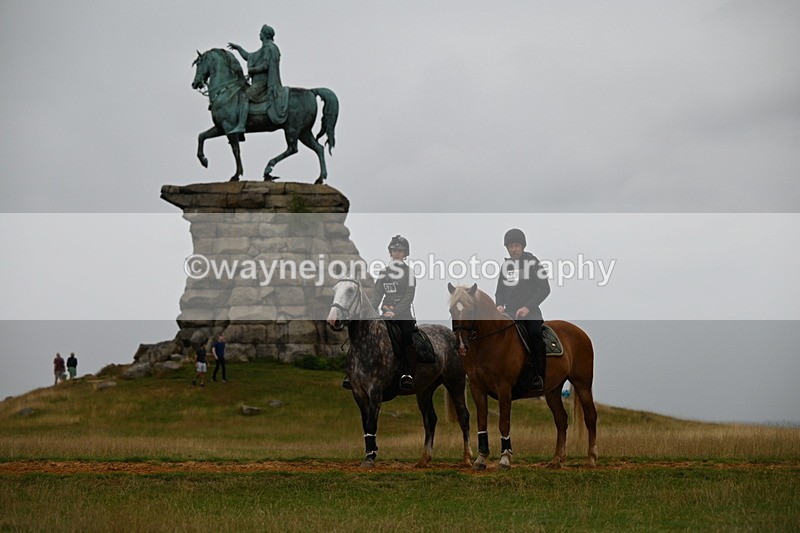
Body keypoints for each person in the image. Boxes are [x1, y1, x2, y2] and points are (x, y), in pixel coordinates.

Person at [494, 228, 551, 392]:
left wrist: (528, 307)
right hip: (509, 313)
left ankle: (539, 376)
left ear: (523, 246)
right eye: (510, 246)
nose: (513, 249)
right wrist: (499, 304)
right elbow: (500, 291)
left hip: (530, 312)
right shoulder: (506, 266)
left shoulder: (533, 263)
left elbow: (544, 289)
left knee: (534, 334)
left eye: (516, 245)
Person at [371, 235, 418, 391]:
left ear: (405, 254)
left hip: (403, 314)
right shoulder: (384, 273)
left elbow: (408, 297)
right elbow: (377, 294)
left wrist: (395, 312)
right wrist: (371, 311)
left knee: (406, 336)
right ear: (390, 253)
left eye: (400, 251)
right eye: (394, 250)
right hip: (385, 312)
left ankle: (407, 373)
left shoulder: (409, 273)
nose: (397, 253)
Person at [228, 24, 289, 133]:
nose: (259, 34)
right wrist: (238, 48)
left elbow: (265, 66)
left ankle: (241, 125)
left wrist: (253, 70)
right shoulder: (264, 48)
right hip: (258, 82)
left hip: (263, 83)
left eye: (261, 32)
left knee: (244, 96)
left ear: (265, 35)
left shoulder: (269, 48)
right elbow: (249, 56)